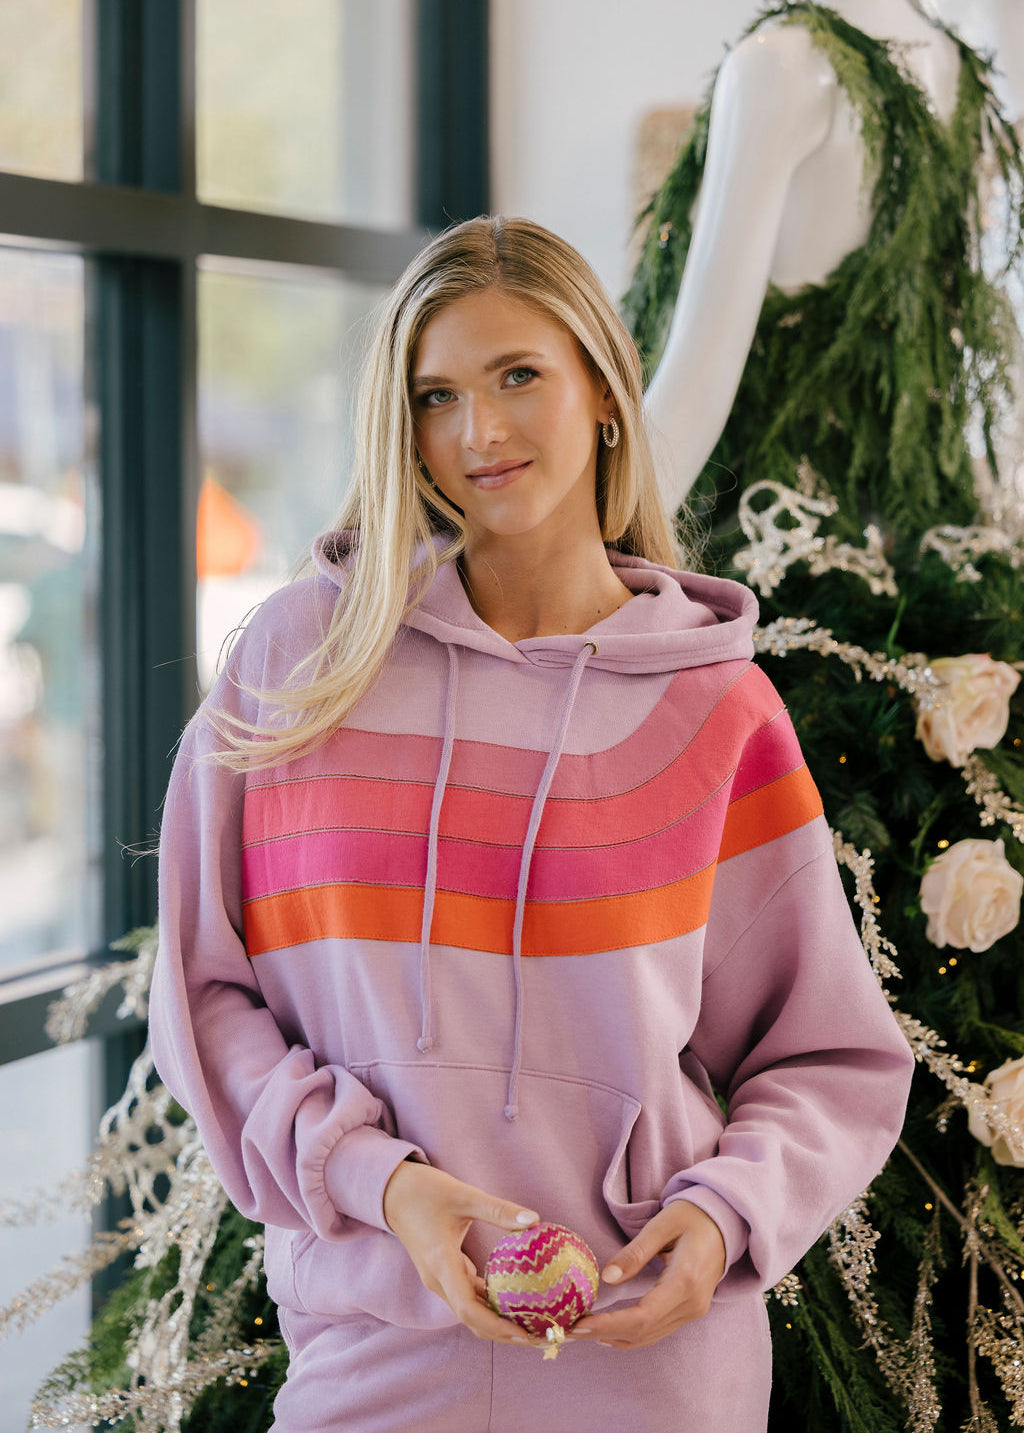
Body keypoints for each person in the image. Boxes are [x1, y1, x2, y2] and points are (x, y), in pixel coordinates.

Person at [149, 215, 915, 1433]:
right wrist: (384, 1184)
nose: (479, 433)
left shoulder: (713, 708)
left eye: (519, 376)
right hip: (370, 1357)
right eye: (435, 394)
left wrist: (721, 1217)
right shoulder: (304, 666)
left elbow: (828, 1056)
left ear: (604, 393)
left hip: (655, 1365)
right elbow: (204, 994)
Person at [630, 0, 1023, 539]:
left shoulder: (779, 64)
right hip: (911, 521)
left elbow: (699, 379)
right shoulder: (951, 57)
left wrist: (594, 549)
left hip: (763, 512)